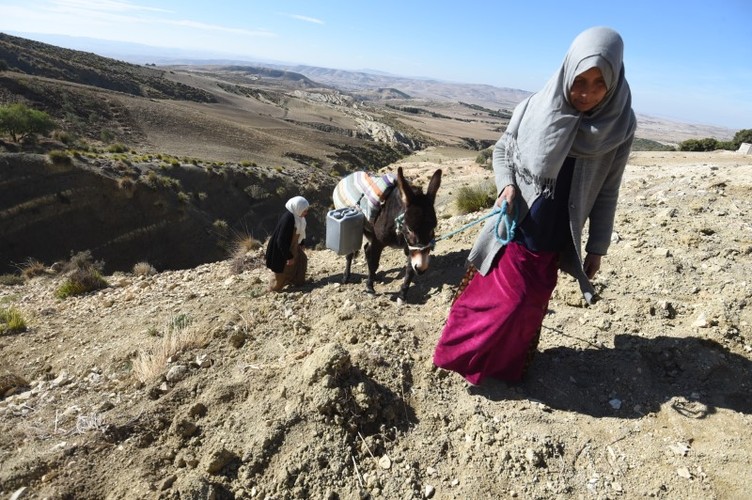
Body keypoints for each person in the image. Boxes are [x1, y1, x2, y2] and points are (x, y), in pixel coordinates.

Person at [433, 26, 636, 385]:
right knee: (498, 305)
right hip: (517, 227)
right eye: (580, 80)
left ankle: (506, 370)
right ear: (566, 71)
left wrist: (597, 247)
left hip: (557, 237)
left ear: (615, 81)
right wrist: (506, 186)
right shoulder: (535, 107)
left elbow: (608, 190)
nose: (587, 93)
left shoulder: (619, 126)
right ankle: (459, 359)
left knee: (529, 309)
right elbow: (502, 152)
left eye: (599, 83)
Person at [265, 196, 310, 292]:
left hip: (293, 247)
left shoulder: (299, 218)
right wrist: (289, 257)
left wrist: (301, 243)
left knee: (301, 260)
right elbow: (280, 240)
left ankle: (296, 281)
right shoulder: (289, 218)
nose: (306, 213)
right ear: (298, 208)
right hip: (282, 250)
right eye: (304, 210)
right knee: (278, 279)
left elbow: (300, 231)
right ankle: (273, 289)